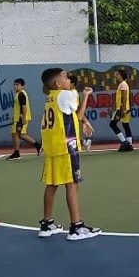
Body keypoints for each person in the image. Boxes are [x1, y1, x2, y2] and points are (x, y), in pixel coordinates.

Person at [39, 68, 101, 241]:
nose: (69, 80)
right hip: (66, 147)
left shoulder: (50, 97)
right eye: (66, 78)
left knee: (52, 185)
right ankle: (76, 227)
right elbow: (79, 114)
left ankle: (47, 223)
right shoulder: (66, 95)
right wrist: (85, 95)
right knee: (72, 184)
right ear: (58, 83)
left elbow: (73, 115)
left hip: (53, 147)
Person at [7, 78, 42, 161]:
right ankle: (37, 145)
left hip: (21, 118)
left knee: (15, 134)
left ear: (22, 86)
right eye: (14, 85)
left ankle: (17, 153)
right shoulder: (18, 94)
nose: (15, 86)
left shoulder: (21, 94)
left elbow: (24, 107)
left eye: (17, 85)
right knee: (20, 135)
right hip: (18, 118)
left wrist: (23, 118)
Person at [110, 68, 134, 151]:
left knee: (112, 124)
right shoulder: (122, 84)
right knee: (125, 125)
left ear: (121, 75)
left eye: (117, 74)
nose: (116, 76)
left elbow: (124, 97)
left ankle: (124, 142)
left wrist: (123, 109)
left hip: (121, 108)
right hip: (124, 108)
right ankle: (129, 144)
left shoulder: (123, 84)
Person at [68, 74, 92, 151]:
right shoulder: (70, 92)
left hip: (72, 119)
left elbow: (78, 108)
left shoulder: (73, 93)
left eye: (68, 81)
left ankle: (85, 142)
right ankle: (86, 142)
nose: (65, 82)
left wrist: (84, 121)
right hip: (71, 119)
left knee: (73, 142)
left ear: (72, 83)